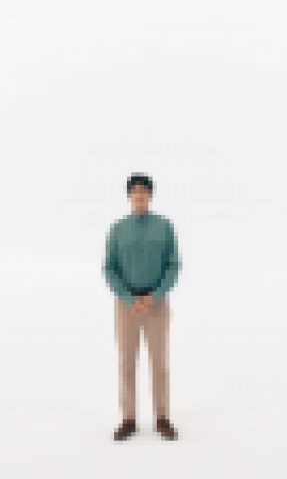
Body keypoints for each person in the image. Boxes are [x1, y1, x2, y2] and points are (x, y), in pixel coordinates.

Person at [103, 173, 181, 441]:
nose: (139, 195)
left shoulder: (165, 226)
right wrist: (128, 298)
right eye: (135, 191)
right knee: (126, 362)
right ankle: (128, 418)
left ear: (150, 195)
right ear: (129, 195)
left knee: (159, 362)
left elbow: (173, 265)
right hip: (126, 305)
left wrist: (155, 295)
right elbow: (109, 268)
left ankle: (162, 417)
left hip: (156, 304)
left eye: (144, 191)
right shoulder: (117, 229)